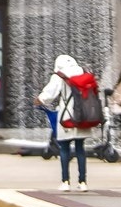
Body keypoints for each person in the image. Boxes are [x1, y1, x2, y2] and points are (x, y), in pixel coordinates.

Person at [37, 54, 93, 192]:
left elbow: (50, 94)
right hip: (83, 115)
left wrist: (40, 99)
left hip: (66, 115)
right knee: (80, 148)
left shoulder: (59, 75)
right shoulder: (84, 73)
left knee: (64, 149)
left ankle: (65, 181)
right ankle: (83, 182)